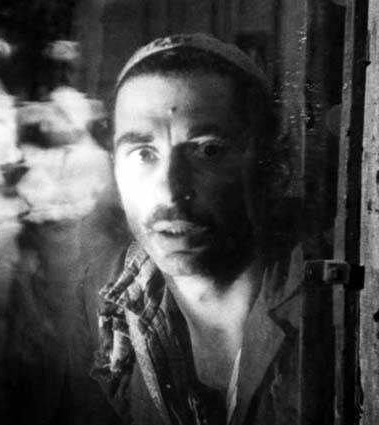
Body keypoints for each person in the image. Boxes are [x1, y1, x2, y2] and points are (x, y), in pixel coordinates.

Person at [75, 33, 302, 425]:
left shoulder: (325, 303)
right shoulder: (104, 300)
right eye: (143, 154)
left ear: (274, 168)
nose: (170, 190)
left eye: (207, 150)